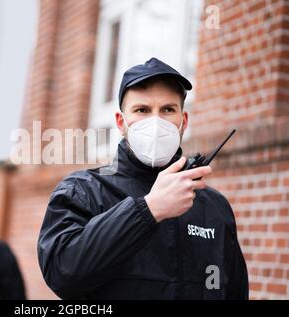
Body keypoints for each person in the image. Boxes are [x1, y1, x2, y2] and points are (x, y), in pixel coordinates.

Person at [38, 57, 248, 299]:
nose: (155, 122)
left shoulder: (214, 207)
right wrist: (148, 210)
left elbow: (235, 291)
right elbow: (61, 273)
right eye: (142, 110)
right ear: (121, 122)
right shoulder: (83, 191)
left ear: (184, 121)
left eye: (168, 110)